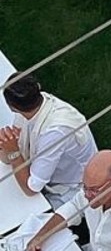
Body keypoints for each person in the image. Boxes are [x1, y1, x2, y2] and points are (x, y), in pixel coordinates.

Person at [0, 73, 98, 207]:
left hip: (74, 186)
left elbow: (31, 188)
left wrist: (14, 153)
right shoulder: (32, 107)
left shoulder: (54, 132)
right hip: (51, 175)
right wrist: (8, 146)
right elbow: (7, 158)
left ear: (11, 107)